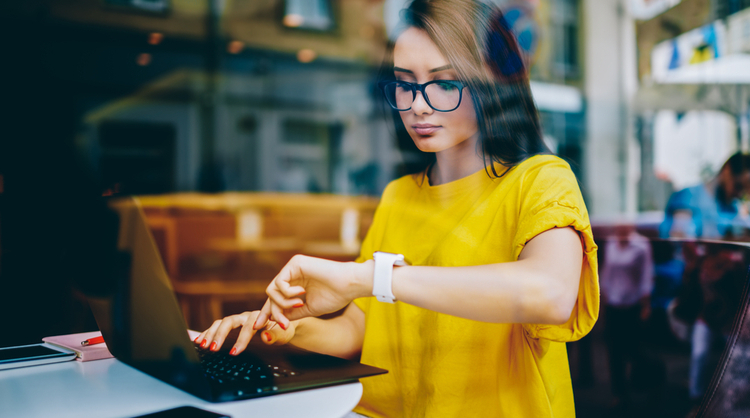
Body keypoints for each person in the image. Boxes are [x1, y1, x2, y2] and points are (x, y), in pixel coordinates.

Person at [195, 1, 599, 416]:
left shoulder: (541, 179)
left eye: (445, 82)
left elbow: (551, 294)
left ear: (491, 86)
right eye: (405, 84)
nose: (418, 105)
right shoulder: (399, 195)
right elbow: (363, 329)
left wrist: (368, 277)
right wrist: (290, 330)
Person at [600, 223, 654, 408]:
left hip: (632, 303)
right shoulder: (610, 243)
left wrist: (646, 304)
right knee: (614, 351)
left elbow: (646, 274)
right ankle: (619, 393)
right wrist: (603, 294)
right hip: (613, 303)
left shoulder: (641, 245)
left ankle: (647, 381)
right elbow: (606, 271)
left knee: (633, 348)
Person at [660, 152, 750, 240]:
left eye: (745, 192)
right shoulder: (689, 197)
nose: (740, 194)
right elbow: (679, 239)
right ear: (727, 170)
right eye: (738, 186)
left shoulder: (733, 208)